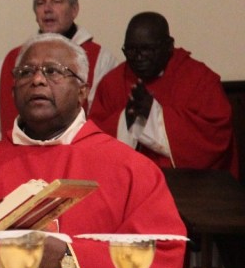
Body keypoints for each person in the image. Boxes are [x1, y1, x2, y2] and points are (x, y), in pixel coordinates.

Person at [0, 34, 186, 268]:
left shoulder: (130, 170)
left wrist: (67, 254)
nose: (37, 79)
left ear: (82, 90)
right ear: (13, 90)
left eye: (53, 71)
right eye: (25, 72)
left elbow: (162, 253)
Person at [0, 0, 119, 147]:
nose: (47, 9)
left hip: (78, 158)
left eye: (56, 1)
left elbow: (108, 121)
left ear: (74, 9)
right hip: (17, 159)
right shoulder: (10, 62)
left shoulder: (100, 60)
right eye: (40, 3)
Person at [89, 12, 237, 177]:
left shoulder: (199, 79)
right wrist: (125, 121)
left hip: (191, 186)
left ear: (169, 45)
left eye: (147, 50)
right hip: (127, 181)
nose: (138, 57)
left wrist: (154, 116)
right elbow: (94, 138)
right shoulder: (113, 82)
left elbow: (215, 136)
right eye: (130, 50)